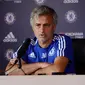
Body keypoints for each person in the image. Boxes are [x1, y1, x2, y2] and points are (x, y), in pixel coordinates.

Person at [5, 5, 75, 75]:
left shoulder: (62, 40)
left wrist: (30, 72)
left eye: (46, 25)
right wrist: (40, 65)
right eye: (38, 25)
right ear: (33, 27)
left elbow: (57, 69)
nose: (42, 30)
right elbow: (9, 71)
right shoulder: (28, 44)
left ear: (54, 27)